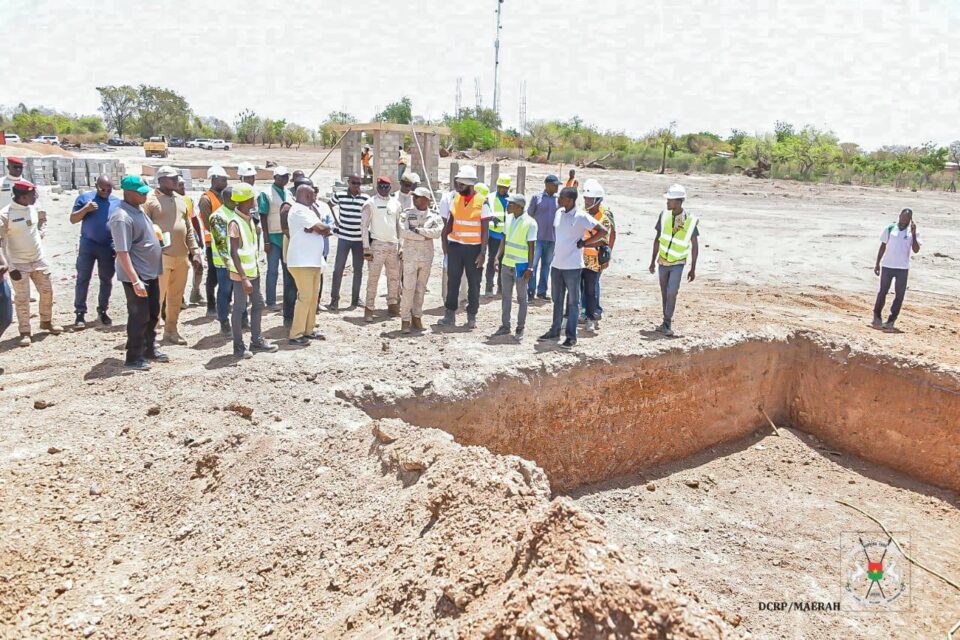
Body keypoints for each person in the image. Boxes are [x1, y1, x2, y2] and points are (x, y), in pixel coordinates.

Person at [108, 176, 165, 371]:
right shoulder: (121, 217)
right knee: (139, 316)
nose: (145, 195)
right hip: (137, 276)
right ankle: (133, 356)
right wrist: (135, 281)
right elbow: (122, 252)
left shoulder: (138, 210)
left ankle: (149, 349)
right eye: (141, 193)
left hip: (150, 272)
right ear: (128, 193)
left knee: (153, 314)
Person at [538, 187, 607, 348]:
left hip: (573, 267)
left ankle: (571, 337)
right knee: (557, 300)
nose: (558, 199)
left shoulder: (581, 216)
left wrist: (585, 243)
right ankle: (554, 331)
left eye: (561, 197)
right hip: (557, 265)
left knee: (573, 303)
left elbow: (602, 231)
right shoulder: (559, 213)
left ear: (569, 200)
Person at [0, 179, 63, 346]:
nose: (35, 197)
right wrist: (10, 266)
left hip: (38, 259)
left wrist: (41, 233)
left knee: (47, 292)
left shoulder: (33, 207)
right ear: (22, 197)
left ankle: (46, 321)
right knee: (22, 299)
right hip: (18, 263)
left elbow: (42, 219)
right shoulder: (6, 215)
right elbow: (1, 242)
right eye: (32, 195)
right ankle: (25, 331)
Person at [144, 166, 202, 345]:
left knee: (176, 297)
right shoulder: (150, 201)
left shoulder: (181, 200)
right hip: (161, 256)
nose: (176, 181)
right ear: (161, 180)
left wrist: (195, 251)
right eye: (172, 178)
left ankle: (171, 330)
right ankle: (151, 334)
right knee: (157, 297)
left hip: (181, 256)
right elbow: (143, 229)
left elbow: (188, 228)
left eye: (177, 177)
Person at [226, 183, 277, 358]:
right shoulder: (235, 222)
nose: (254, 200)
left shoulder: (248, 218)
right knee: (239, 308)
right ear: (246, 200)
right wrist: (243, 278)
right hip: (242, 275)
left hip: (252, 271)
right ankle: (238, 347)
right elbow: (234, 252)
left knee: (258, 304)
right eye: (252, 198)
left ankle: (256, 341)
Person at [438, 166, 491, 329]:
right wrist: (445, 243)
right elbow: (450, 223)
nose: (458, 188)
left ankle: (471, 315)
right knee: (452, 282)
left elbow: (485, 230)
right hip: (455, 247)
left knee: (474, 284)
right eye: (458, 184)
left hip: (474, 250)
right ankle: (450, 314)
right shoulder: (456, 199)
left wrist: (482, 253)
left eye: (461, 185)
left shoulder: (482, 202)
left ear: (470, 185)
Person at [649, 184, 699, 337]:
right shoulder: (664, 215)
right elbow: (657, 239)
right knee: (665, 292)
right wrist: (652, 261)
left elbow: (695, 245)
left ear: (678, 202)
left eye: (669, 200)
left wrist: (693, 268)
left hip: (678, 262)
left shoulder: (690, 220)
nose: (667, 202)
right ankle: (665, 321)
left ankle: (667, 322)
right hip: (663, 261)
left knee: (672, 292)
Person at [70, 175, 120, 328]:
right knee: (83, 278)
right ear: (96, 186)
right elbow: (73, 219)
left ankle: (102, 310)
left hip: (107, 246)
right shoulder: (85, 198)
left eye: (108, 189)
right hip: (88, 245)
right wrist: (86, 209)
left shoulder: (117, 202)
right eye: (102, 189)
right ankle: (80, 312)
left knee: (106, 279)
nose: (105, 192)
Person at [285, 183, 332, 344]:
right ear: (306, 195)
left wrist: (320, 229)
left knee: (313, 297)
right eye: (312, 195)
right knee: (305, 297)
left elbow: (323, 229)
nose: (315, 198)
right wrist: (320, 229)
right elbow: (321, 228)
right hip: (301, 261)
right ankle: (296, 334)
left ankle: (308, 330)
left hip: (313, 260)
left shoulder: (309, 210)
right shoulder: (298, 210)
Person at [398, 186, 443, 333]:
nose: (414, 199)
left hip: (426, 257)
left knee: (421, 288)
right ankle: (405, 319)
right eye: (414, 196)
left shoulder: (434, 216)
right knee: (408, 288)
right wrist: (424, 236)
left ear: (425, 200)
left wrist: (418, 231)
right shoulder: (407, 214)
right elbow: (403, 231)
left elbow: (437, 233)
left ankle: (417, 316)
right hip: (410, 256)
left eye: (417, 197)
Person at [493, 193, 537, 340]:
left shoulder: (530, 223)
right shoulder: (509, 219)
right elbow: (504, 239)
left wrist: (530, 267)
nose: (508, 205)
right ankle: (505, 326)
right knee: (506, 296)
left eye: (511, 203)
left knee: (521, 298)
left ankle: (520, 327)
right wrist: (497, 257)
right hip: (507, 263)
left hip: (521, 266)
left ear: (519, 206)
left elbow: (532, 247)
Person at [362, 176, 403, 321]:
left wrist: (401, 245)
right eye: (381, 186)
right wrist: (366, 247)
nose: (384, 189)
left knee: (394, 277)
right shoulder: (370, 203)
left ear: (390, 188)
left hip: (393, 245)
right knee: (373, 278)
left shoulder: (396, 203)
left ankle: (392, 305)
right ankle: (369, 308)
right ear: (377, 187)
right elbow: (364, 226)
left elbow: (399, 225)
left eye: (386, 187)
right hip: (377, 245)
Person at [873, 208, 920, 331]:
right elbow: (882, 246)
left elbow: (916, 250)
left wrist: (914, 234)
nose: (904, 219)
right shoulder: (890, 228)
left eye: (907, 218)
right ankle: (877, 316)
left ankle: (891, 320)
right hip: (887, 266)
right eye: (902, 216)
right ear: (899, 216)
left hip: (902, 268)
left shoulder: (912, 232)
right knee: (882, 292)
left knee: (899, 295)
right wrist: (877, 263)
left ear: (910, 219)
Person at [327, 173, 369, 309]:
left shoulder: (365, 198)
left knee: (358, 270)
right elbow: (329, 205)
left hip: (359, 240)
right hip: (344, 238)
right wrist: (336, 221)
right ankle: (334, 299)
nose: (356, 185)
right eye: (353, 183)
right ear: (348, 182)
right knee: (338, 269)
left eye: (358, 183)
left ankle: (355, 299)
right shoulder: (340, 195)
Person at [580, 179, 615, 333]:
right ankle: (582, 312)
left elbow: (604, 238)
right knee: (579, 288)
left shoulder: (604, 216)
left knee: (591, 289)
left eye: (589, 199)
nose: (586, 201)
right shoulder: (581, 212)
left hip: (595, 259)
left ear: (597, 200)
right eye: (585, 198)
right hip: (580, 257)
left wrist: (584, 244)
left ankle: (591, 316)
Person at [208, 187, 243, 334]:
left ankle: (242, 320)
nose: (235, 202)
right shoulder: (218, 216)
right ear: (224, 199)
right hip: (225, 263)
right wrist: (229, 264)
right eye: (232, 199)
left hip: (239, 260)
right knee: (225, 292)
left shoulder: (236, 213)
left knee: (240, 292)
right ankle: (224, 321)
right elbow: (221, 243)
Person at [198, 166, 228, 317]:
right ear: (214, 179)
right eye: (223, 180)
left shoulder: (224, 196)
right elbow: (207, 223)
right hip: (213, 243)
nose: (226, 182)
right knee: (213, 275)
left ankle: (225, 303)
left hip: (226, 242)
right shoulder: (206, 199)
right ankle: (211, 305)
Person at [526, 175, 560, 301]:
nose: (557, 187)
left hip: (552, 239)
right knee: (533, 265)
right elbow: (529, 215)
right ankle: (530, 291)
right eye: (555, 185)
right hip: (537, 238)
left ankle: (542, 292)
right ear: (547, 185)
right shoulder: (537, 198)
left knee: (546, 265)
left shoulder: (558, 200)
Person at [261, 166, 290, 309]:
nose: (284, 179)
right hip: (273, 237)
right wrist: (266, 240)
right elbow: (263, 216)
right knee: (272, 271)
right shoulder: (266, 194)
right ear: (275, 177)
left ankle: (288, 299)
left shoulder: (288, 193)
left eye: (286, 176)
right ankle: (271, 301)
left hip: (286, 236)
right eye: (281, 176)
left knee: (287, 270)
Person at [174, 176, 204, 307]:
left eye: (183, 185)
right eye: (180, 185)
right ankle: (179, 297)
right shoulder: (171, 201)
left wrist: (200, 238)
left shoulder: (188, 199)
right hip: (178, 240)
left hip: (191, 238)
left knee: (199, 266)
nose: (183, 187)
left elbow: (194, 219)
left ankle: (196, 292)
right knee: (181, 270)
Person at [485, 176, 511, 295]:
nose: (502, 189)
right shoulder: (490, 197)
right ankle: (489, 287)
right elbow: (484, 211)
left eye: (505, 188)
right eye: (500, 187)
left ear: (508, 188)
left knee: (503, 262)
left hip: (507, 235)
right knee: (492, 260)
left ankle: (501, 287)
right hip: (494, 235)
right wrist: (491, 217)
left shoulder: (511, 199)